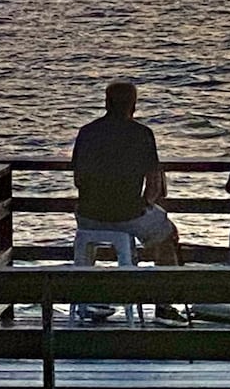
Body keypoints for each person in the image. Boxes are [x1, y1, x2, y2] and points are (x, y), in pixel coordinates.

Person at [72, 81, 180, 265]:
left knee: (91, 237)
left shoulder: (87, 132)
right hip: (128, 214)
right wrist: (145, 203)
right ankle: (168, 284)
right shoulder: (143, 134)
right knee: (168, 235)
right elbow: (154, 185)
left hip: (88, 215)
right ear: (133, 105)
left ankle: (84, 272)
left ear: (107, 103)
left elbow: (78, 180)